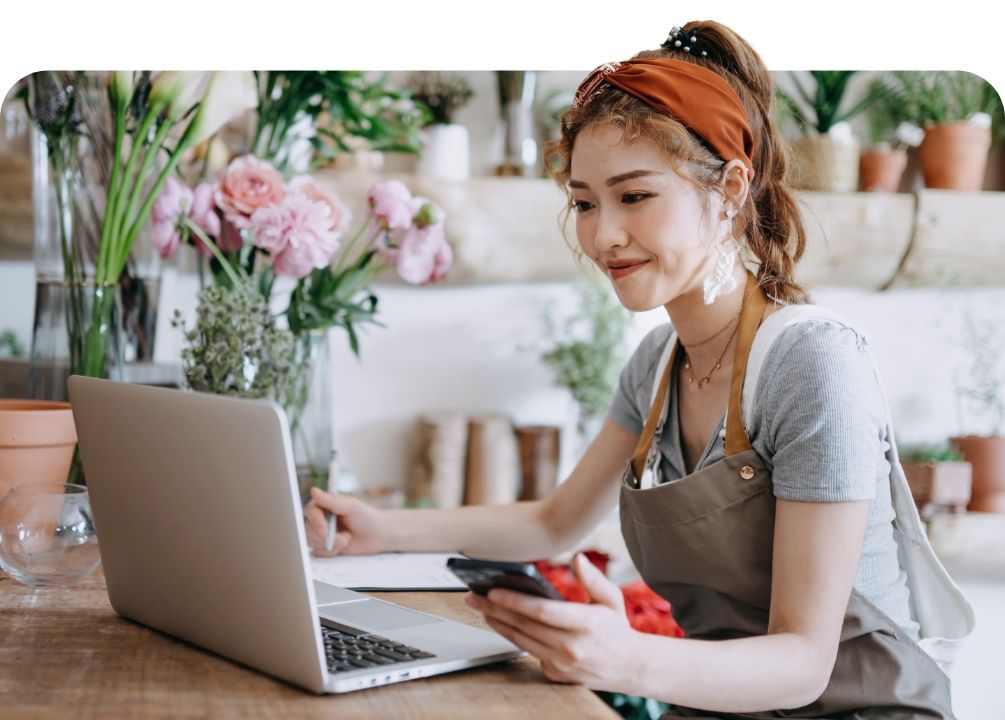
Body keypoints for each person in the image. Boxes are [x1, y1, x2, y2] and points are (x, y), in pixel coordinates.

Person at [306, 20, 966, 718]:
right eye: (584, 202)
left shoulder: (810, 364)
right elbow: (553, 523)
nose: (601, 235)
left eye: (635, 196)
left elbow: (802, 664)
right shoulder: (656, 366)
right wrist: (380, 530)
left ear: (731, 190)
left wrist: (622, 657)